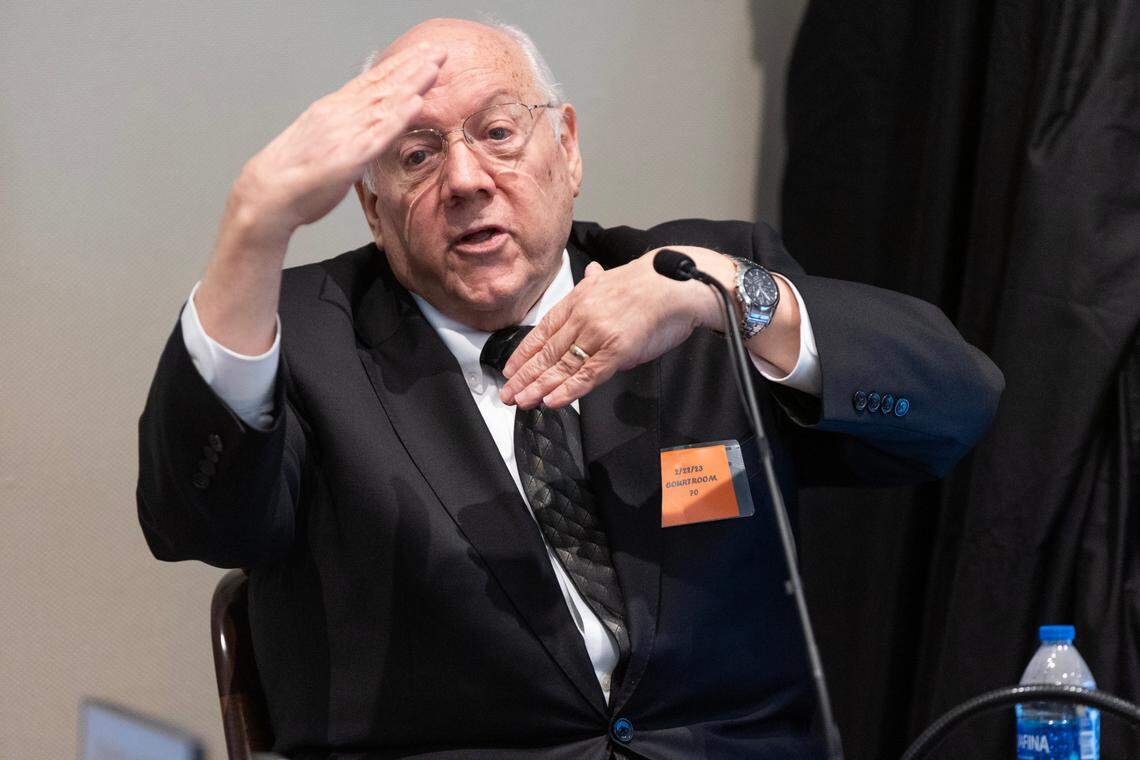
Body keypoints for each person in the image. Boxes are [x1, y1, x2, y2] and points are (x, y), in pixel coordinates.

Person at [137, 18, 1003, 759]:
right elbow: (196, 522)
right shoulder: (306, 336)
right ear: (372, 207)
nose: (467, 180)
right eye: (417, 154)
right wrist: (255, 226)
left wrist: (729, 293)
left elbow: (958, 408)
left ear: (568, 147)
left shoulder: (695, 293)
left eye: (499, 131)